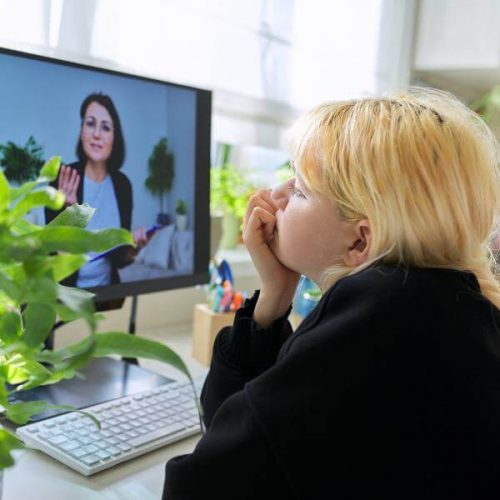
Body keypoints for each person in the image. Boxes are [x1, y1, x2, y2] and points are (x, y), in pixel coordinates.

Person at [162, 87, 500, 499]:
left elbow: (201, 485)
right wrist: (274, 296)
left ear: (360, 243)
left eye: (300, 189)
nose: (275, 196)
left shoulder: (379, 315)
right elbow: (243, 438)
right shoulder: (453, 307)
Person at [45, 92, 149, 287]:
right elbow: (55, 262)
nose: (96, 134)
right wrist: (71, 217)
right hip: (68, 300)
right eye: (90, 123)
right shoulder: (62, 179)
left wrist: (134, 249)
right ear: (82, 131)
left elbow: (118, 259)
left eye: (106, 127)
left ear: (114, 138)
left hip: (108, 296)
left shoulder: (123, 185)